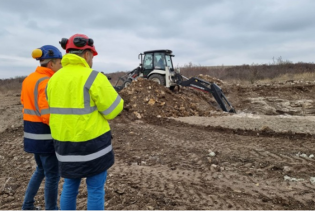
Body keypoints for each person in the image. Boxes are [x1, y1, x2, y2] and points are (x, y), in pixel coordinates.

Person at [46, 34, 124, 210]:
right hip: (92, 145)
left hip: (64, 145)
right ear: (87, 54)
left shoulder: (53, 80)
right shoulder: (94, 77)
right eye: (92, 56)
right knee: (95, 189)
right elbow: (113, 110)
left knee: (69, 187)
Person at [21, 45, 62, 210]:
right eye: (59, 63)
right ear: (51, 64)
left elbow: (24, 103)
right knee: (53, 175)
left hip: (31, 135)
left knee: (40, 170)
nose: (61, 67)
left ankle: (27, 205)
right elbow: (47, 115)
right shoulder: (46, 81)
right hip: (45, 137)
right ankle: (52, 209)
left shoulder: (29, 79)